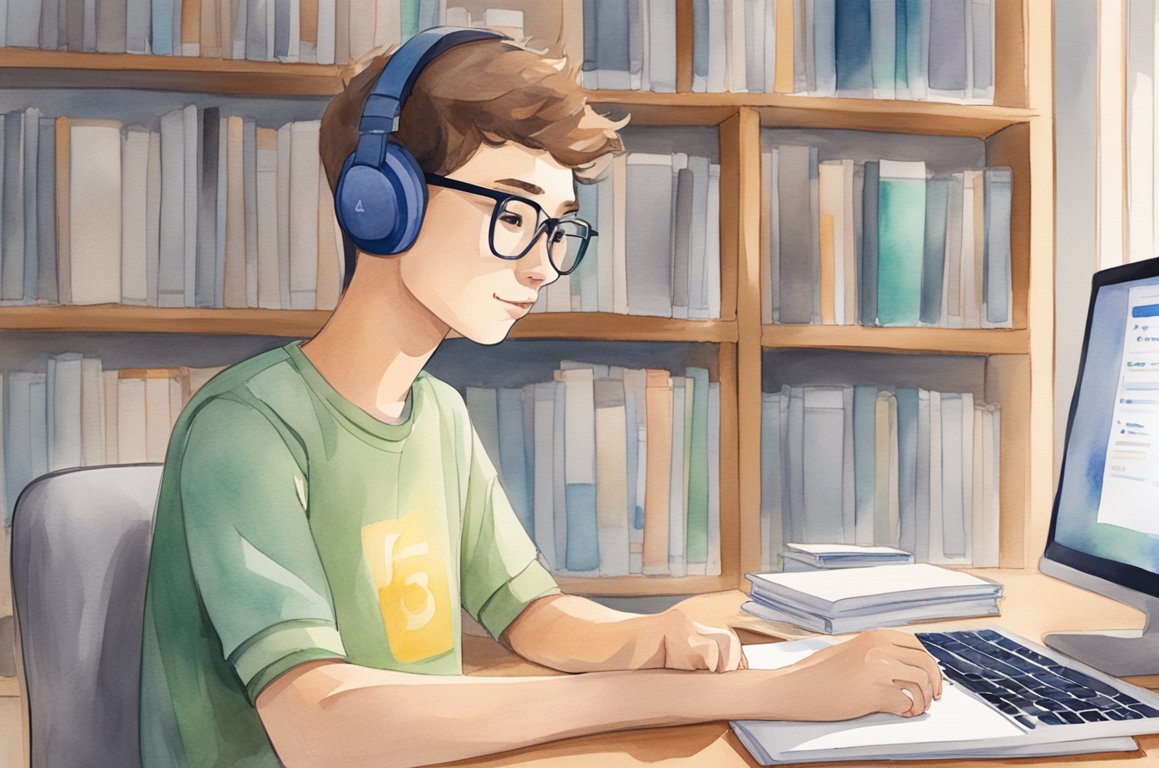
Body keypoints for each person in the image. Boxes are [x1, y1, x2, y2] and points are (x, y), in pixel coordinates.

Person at [138, 30, 942, 768]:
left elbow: (530, 614)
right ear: (381, 202)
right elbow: (323, 726)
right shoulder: (247, 427)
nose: (542, 268)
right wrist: (756, 691)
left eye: (556, 228)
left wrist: (646, 638)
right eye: (514, 214)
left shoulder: (439, 421)